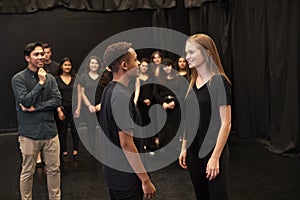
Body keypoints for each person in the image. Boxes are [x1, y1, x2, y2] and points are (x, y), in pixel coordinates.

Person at [99, 42, 156, 200]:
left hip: (116, 176)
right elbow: (126, 143)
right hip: (127, 179)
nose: (138, 64)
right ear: (124, 65)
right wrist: (145, 180)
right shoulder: (121, 96)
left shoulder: (109, 91)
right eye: (135, 60)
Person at [178, 34, 232, 200]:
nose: (187, 57)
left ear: (207, 53)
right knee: (202, 196)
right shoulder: (193, 81)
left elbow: (226, 123)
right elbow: (190, 118)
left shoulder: (219, 82)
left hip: (212, 150)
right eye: (186, 53)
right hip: (194, 150)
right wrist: (184, 147)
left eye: (192, 52)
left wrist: (215, 157)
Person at [11, 42, 62, 199]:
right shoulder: (18, 79)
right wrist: (40, 83)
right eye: (37, 54)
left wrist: (36, 107)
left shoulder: (51, 78)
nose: (42, 57)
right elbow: (25, 102)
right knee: (28, 171)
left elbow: (57, 100)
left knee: (54, 170)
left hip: (50, 132)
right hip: (29, 133)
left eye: (42, 54)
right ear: (28, 58)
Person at [55, 57, 80, 161]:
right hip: (62, 107)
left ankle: (75, 150)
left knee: (75, 130)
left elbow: (79, 94)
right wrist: (59, 110)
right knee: (63, 131)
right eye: (65, 65)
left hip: (74, 107)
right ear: (61, 66)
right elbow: (54, 95)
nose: (67, 67)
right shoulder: (56, 79)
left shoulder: (75, 77)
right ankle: (64, 150)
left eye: (69, 65)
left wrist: (78, 108)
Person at [77, 56, 102, 154]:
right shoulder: (83, 77)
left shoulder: (103, 76)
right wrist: (89, 106)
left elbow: (106, 92)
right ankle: (92, 151)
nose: (94, 65)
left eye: (96, 63)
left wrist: (100, 105)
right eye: (92, 63)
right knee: (91, 129)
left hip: (101, 107)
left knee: (103, 129)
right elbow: (82, 93)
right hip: (88, 108)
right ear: (89, 65)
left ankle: (104, 150)